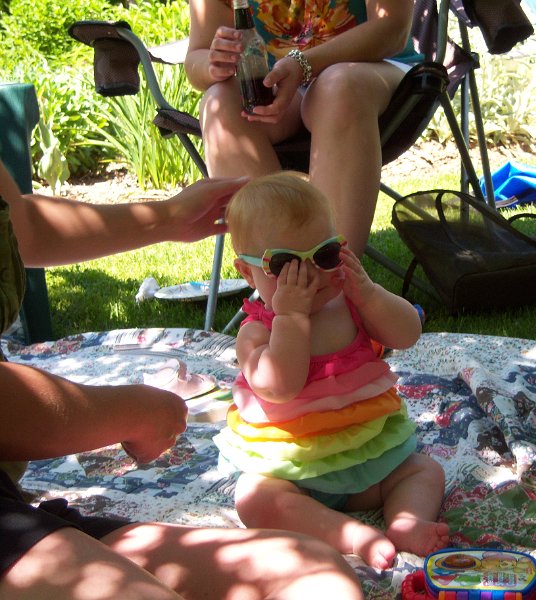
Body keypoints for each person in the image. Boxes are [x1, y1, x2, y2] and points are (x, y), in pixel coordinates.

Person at [0, 160, 364, 600]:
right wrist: (132, 412)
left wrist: (168, 216)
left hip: (13, 504)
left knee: (316, 575)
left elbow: (20, 226)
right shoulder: (257, 330)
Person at [215, 171, 449, 570]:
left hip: (369, 458)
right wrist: (290, 317)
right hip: (291, 471)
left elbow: (408, 333)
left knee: (423, 470)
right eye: (286, 265)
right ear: (248, 272)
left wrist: (369, 294)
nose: (311, 276)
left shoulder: (351, 304)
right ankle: (349, 534)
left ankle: (407, 522)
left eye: (324, 255)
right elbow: (280, 386)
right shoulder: (256, 331)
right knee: (255, 498)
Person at [184, 0, 419, 257]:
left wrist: (303, 64)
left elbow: (392, 28)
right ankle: (276, 270)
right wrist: (214, 62)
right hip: (279, 85)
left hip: (374, 68)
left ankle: (334, 271)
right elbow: (197, 55)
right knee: (220, 102)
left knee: (338, 88)